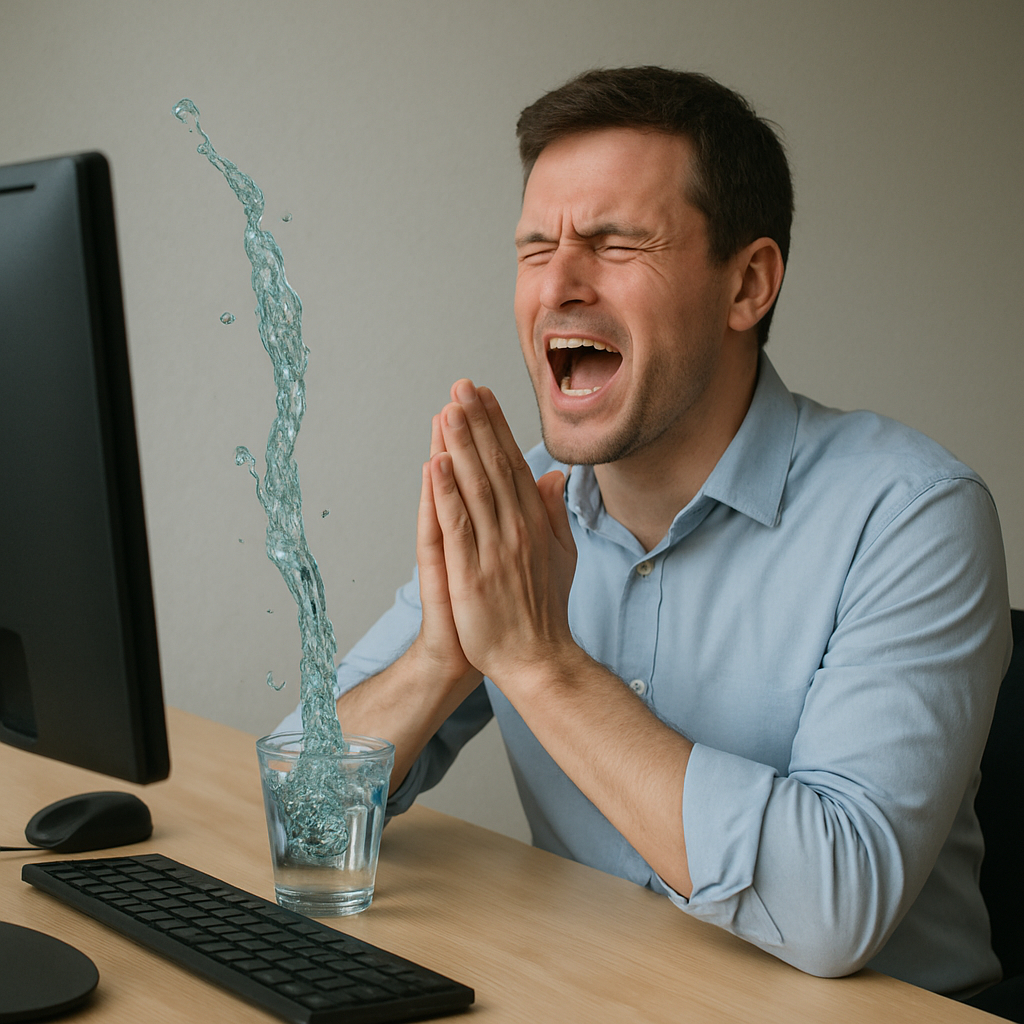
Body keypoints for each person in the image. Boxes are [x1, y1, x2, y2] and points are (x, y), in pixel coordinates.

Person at [279, 67, 1011, 997]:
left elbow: (837, 910)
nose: (560, 284)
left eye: (615, 243)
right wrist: (444, 653)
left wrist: (540, 664)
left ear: (747, 284)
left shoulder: (912, 514)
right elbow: (298, 817)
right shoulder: (522, 515)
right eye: (535, 248)